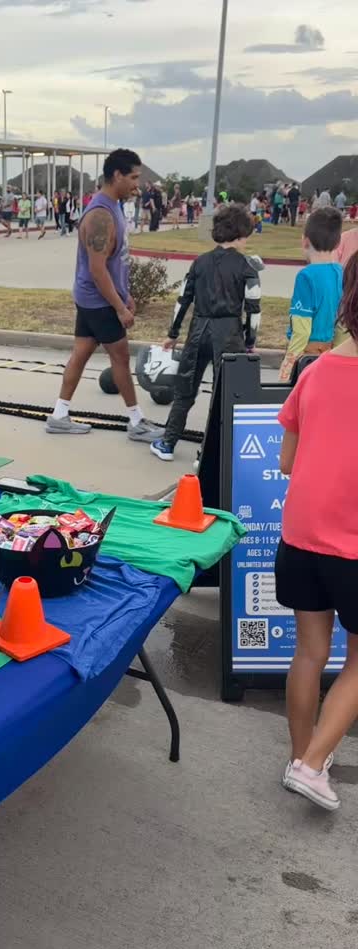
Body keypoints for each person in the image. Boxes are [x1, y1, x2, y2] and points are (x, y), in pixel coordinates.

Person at [276, 254, 358, 811]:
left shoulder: (316, 370)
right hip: (354, 546)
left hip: (300, 539)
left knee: (309, 652)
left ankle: (304, 757)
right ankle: (311, 765)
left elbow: (286, 460)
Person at [45, 148, 163, 443]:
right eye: (133, 178)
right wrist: (120, 307)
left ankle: (59, 415)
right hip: (98, 299)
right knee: (120, 357)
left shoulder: (112, 207)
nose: (137, 184)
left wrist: (128, 294)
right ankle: (136, 422)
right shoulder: (100, 215)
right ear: (117, 175)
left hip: (91, 296)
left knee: (81, 353)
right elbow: (98, 270)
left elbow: (114, 262)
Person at [151, 203, 261, 462]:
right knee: (221, 394)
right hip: (229, 333)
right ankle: (209, 452)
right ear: (242, 235)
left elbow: (182, 301)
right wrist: (249, 342)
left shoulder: (199, 262)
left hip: (198, 330)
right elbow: (254, 310)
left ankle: (168, 442)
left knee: (185, 388)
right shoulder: (248, 267)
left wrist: (173, 333)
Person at [278, 207, 343, 382]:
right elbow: (341, 320)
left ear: (305, 241)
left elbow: (301, 329)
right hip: (329, 350)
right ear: (338, 243)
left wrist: (287, 368)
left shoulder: (306, 277)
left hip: (306, 354)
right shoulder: (339, 272)